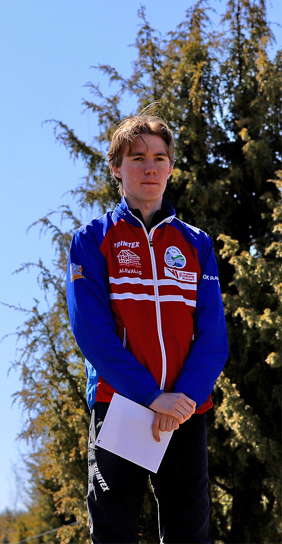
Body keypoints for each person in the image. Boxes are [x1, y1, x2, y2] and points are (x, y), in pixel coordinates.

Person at [66, 114, 228, 543]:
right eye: (137, 158)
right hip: (120, 405)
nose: (150, 167)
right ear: (117, 168)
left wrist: (181, 401)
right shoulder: (91, 239)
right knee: (115, 532)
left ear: (172, 166)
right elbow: (91, 332)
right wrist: (152, 396)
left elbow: (212, 338)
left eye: (159, 157)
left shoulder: (196, 243)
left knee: (189, 534)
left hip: (184, 412)